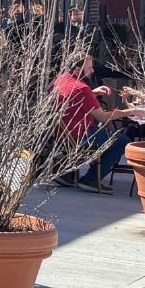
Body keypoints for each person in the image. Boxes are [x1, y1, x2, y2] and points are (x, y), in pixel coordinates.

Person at [53, 51, 132, 191]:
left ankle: (67, 171)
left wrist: (92, 93)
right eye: (89, 68)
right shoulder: (82, 89)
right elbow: (103, 117)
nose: (92, 71)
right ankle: (91, 179)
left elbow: (72, 97)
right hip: (81, 136)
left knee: (103, 132)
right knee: (122, 140)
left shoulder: (60, 80)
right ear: (77, 70)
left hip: (62, 134)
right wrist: (131, 112)